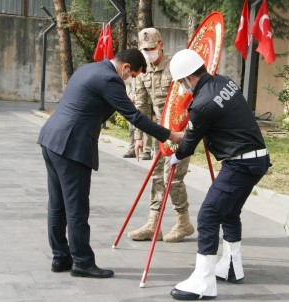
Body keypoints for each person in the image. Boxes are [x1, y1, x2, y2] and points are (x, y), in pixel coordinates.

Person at [37, 49, 183, 279]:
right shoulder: (110, 79)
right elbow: (135, 117)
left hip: (51, 139)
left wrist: (119, 102)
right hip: (71, 146)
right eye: (132, 75)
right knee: (76, 209)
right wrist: (170, 135)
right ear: (126, 67)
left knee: (57, 206)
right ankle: (82, 263)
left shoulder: (90, 68)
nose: (130, 79)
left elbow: (89, 107)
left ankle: (60, 257)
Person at [168, 49, 271, 300]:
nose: (182, 87)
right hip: (257, 159)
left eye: (181, 82)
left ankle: (203, 282)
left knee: (209, 214)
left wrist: (175, 154)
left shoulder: (201, 104)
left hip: (240, 164)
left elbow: (190, 141)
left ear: (189, 78)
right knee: (229, 211)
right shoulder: (225, 81)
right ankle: (232, 266)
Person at [128, 28, 194, 243]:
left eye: (151, 48)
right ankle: (153, 223)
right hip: (161, 134)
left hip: (181, 132)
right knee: (157, 176)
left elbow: (190, 96)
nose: (148, 53)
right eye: (144, 49)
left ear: (161, 45)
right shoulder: (143, 71)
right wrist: (138, 138)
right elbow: (141, 107)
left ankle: (183, 222)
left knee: (172, 178)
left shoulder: (176, 66)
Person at [123, 78, 153, 160]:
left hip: (146, 102)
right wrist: (130, 95)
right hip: (133, 102)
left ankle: (147, 151)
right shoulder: (131, 70)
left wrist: (140, 96)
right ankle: (131, 148)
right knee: (132, 126)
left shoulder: (144, 71)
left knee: (147, 126)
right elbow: (127, 84)